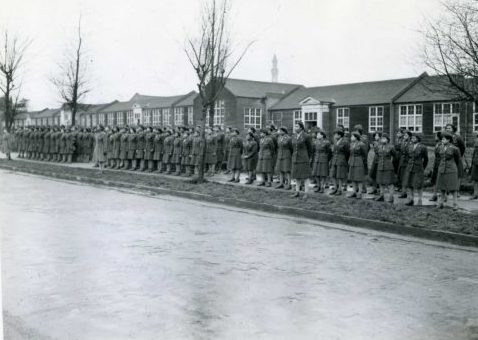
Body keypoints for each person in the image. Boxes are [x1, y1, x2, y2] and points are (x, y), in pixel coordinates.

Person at [436, 132, 461, 210]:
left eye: (443, 139)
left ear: (448, 140)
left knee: (453, 187)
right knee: (442, 187)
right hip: (442, 169)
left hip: (451, 169)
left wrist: (456, 168)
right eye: (442, 139)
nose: (442, 140)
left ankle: (455, 204)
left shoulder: (455, 148)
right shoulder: (440, 147)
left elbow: (458, 160)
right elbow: (438, 156)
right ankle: (441, 203)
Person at [402, 134, 428, 206]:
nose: (413, 139)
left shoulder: (422, 147)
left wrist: (422, 167)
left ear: (418, 139)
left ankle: (420, 200)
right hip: (410, 167)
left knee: (418, 184)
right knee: (409, 183)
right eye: (412, 138)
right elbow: (407, 156)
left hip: (418, 168)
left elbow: (426, 159)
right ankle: (411, 199)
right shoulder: (409, 146)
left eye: (414, 138)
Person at [291, 121, 313, 198]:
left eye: (296, 126)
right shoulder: (293, 136)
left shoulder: (306, 136)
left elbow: (310, 149)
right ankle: (297, 191)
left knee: (305, 176)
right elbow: (292, 148)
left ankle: (306, 193)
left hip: (304, 158)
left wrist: (309, 158)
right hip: (296, 158)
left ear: (301, 127)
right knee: (297, 175)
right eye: (295, 126)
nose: (295, 128)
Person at [375, 133, 397, 203]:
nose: (382, 140)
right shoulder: (379, 147)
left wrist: (390, 163)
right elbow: (377, 155)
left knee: (389, 182)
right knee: (380, 181)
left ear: (387, 140)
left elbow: (395, 156)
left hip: (388, 166)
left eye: (384, 138)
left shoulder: (391, 147)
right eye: (382, 138)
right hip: (380, 166)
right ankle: (381, 195)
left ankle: (391, 197)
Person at [347, 131, 368, 199]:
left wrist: (362, 161)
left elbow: (365, 154)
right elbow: (350, 153)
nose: (351, 138)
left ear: (356, 137)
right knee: (353, 177)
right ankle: (354, 192)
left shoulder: (361, 144)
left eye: (352, 136)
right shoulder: (351, 144)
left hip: (359, 161)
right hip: (352, 161)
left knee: (359, 178)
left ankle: (360, 192)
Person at [329, 129, 350, 195]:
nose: (334, 136)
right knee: (332, 174)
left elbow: (347, 152)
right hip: (334, 159)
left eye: (336, 134)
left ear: (340, 135)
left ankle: (340, 189)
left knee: (339, 175)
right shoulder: (335, 142)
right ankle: (335, 188)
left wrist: (344, 160)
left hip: (341, 160)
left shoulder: (345, 142)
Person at [397, 130, 412, 198]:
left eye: (406, 135)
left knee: (406, 177)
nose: (404, 137)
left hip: (407, 162)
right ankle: (403, 192)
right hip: (402, 161)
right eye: (404, 135)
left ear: (409, 137)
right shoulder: (403, 142)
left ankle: (405, 192)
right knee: (401, 176)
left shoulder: (410, 143)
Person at [429, 132, 443, 202]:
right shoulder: (437, 144)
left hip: (440, 164)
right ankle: (434, 195)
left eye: (436, 136)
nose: (435, 137)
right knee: (434, 179)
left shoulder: (441, 145)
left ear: (439, 137)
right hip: (436, 163)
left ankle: (442, 196)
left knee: (440, 179)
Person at [469, 132, 478, 200]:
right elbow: (474, 154)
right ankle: (475, 193)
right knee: (474, 179)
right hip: (476, 162)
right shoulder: (476, 142)